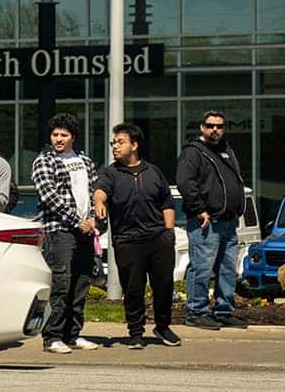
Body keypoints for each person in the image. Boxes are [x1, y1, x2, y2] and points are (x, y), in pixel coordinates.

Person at [93, 122, 181, 349]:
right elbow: (101, 190)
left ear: (134, 145)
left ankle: (163, 326)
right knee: (133, 289)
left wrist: (169, 232)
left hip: (158, 239)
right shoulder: (110, 172)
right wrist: (99, 202)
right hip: (127, 240)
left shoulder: (153, 172)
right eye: (113, 143)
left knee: (163, 286)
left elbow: (167, 202)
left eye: (120, 142)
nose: (115, 146)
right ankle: (135, 332)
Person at [31, 112, 99, 354]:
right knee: (61, 283)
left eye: (64, 135)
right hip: (58, 230)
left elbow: (94, 192)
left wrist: (92, 218)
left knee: (81, 282)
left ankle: (73, 334)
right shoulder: (44, 161)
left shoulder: (85, 161)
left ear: (73, 137)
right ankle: (52, 336)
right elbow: (49, 196)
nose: (58, 139)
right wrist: (76, 220)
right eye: (55, 134)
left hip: (86, 231)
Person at [176, 109, 248, 330]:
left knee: (227, 269)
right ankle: (196, 312)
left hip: (228, 222)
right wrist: (199, 210)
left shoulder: (226, 150)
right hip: (206, 222)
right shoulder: (193, 152)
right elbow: (185, 182)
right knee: (201, 268)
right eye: (210, 126)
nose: (215, 130)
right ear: (202, 127)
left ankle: (224, 311)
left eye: (219, 126)